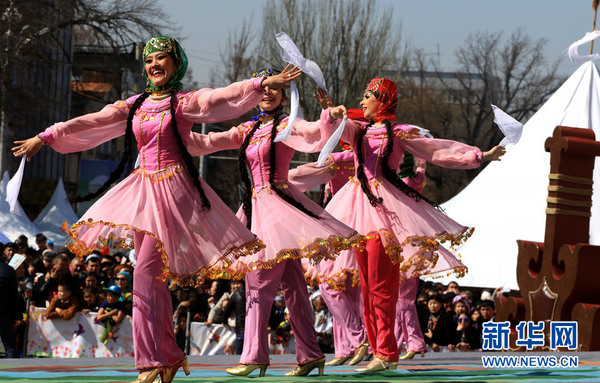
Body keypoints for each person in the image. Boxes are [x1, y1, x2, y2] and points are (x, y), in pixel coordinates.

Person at [13, 36, 299, 383]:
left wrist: (259, 83)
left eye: (162, 58)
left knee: (145, 273)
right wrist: (47, 135)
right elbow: (94, 120)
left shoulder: (183, 102)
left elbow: (219, 98)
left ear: (176, 63)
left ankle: (150, 361)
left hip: (174, 189)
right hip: (141, 188)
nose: (155, 65)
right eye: (149, 60)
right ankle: (171, 356)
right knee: (153, 277)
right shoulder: (135, 104)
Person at [322, 77, 505, 372]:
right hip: (356, 209)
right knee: (366, 285)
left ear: (381, 100)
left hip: (384, 211)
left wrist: (479, 155)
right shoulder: (359, 131)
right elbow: (334, 130)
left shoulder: (399, 133)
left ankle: (387, 353)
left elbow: (436, 150)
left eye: (367, 96)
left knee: (381, 285)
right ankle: (378, 350)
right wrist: (330, 113)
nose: (361, 102)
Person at [187, 67, 361, 377]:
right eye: (263, 88)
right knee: (294, 285)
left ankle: (254, 355)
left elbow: (312, 132)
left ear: (284, 95)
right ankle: (309, 353)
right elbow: (209, 141)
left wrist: (330, 114)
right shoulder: (247, 130)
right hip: (257, 209)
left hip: (278, 207)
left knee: (258, 281)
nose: (267, 93)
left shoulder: (286, 126)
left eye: (274, 89)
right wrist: (173, 133)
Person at [0, 255, 19, 358]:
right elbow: (14, 295)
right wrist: (15, 316)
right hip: (4, 313)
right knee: (10, 347)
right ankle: (11, 372)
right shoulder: (9, 270)